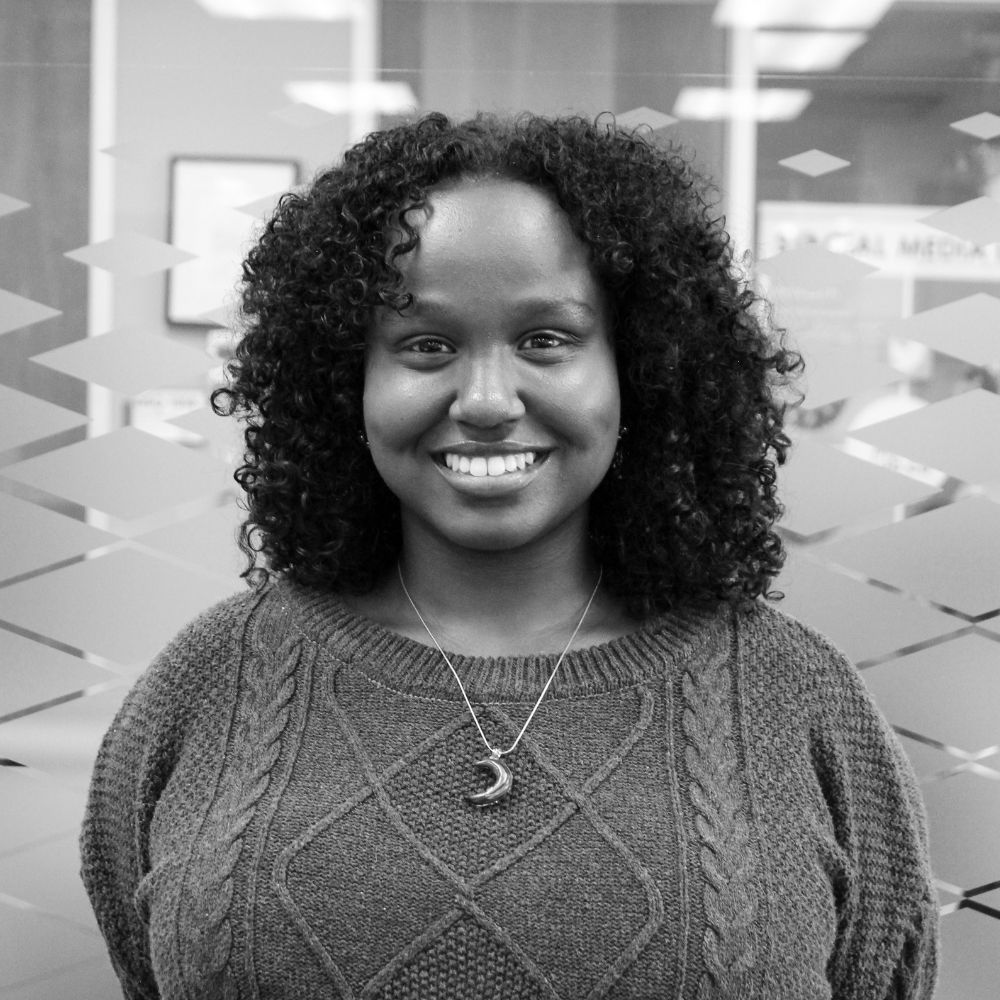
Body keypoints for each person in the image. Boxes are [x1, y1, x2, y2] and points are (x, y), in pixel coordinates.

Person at [80, 112, 937, 999]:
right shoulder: (210, 684)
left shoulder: (792, 697)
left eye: (546, 340)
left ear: (639, 370)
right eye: (426, 345)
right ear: (345, 381)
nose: (487, 400)